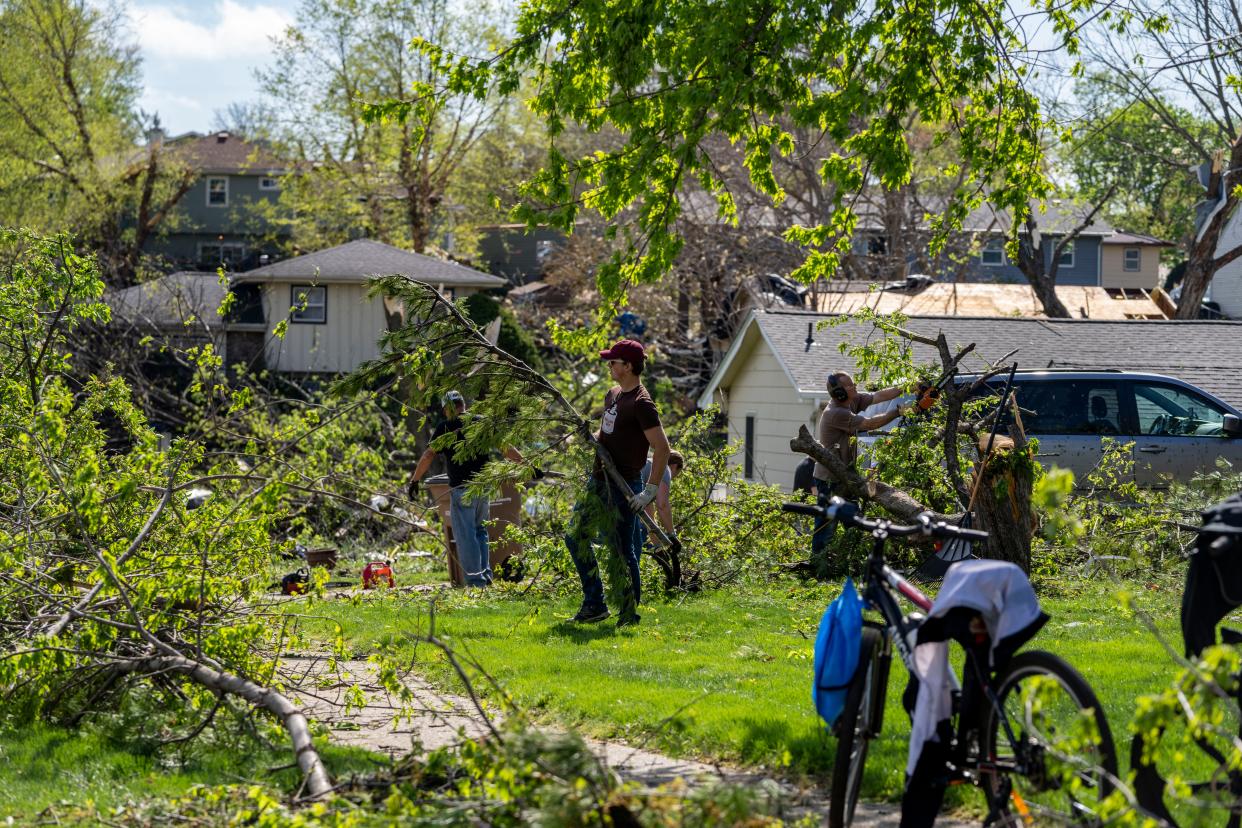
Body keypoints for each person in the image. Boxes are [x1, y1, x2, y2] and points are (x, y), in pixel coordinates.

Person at [565, 339, 671, 628]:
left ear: (628, 366)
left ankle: (628, 614)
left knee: (622, 551)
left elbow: (661, 448)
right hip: (598, 480)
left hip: (625, 485)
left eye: (613, 362)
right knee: (574, 536)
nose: (609, 365)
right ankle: (595, 603)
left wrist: (649, 491)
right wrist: (593, 438)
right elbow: (607, 432)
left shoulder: (642, 403)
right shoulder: (612, 394)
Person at [409, 391, 520, 588]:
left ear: (447, 409)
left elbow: (428, 455)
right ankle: (485, 577)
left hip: (462, 490)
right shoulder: (481, 422)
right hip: (483, 487)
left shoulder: (446, 427)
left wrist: (415, 480)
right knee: (480, 531)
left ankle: (476, 583)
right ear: (463, 405)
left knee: (466, 535)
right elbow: (505, 447)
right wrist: (528, 465)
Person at [810, 372, 911, 567]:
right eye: (850, 386)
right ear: (839, 393)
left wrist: (908, 387)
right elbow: (870, 423)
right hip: (830, 478)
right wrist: (898, 411)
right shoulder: (836, 413)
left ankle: (849, 563)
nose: (855, 387)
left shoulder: (851, 402)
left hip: (846, 474)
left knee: (854, 522)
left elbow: (879, 396)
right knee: (826, 525)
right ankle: (818, 566)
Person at [637, 450, 685, 552]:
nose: (674, 478)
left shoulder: (651, 467)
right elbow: (662, 505)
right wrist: (672, 535)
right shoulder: (664, 468)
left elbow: (648, 518)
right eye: (677, 473)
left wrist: (658, 547)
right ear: (674, 466)